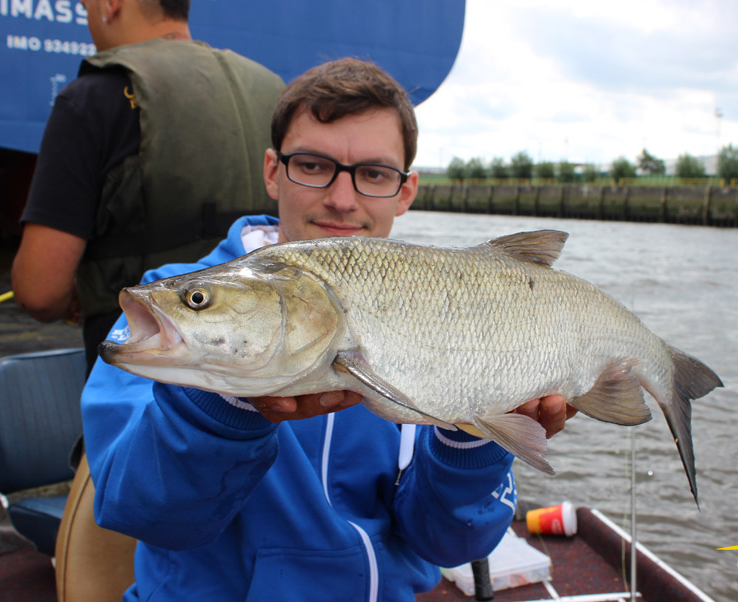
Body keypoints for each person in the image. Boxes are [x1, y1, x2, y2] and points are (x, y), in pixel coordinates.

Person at [82, 58, 574, 601]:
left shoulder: (449, 312)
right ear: (272, 170)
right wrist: (228, 399)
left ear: (405, 190)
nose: (343, 198)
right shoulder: (172, 299)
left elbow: (445, 543)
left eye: (374, 173)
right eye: (313, 165)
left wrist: (471, 437)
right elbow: (140, 510)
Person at [11, 0, 284, 373]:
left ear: (110, 5)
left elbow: (38, 293)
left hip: (141, 384)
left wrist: (84, 292)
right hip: (263, 374)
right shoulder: (271, 89)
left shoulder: (92, 96)